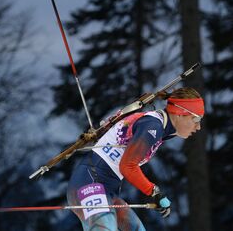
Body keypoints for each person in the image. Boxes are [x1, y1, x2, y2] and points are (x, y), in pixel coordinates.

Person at [66, 87, 204, 230]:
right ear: (180, 113)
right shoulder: (153, 126)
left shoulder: (159, 126)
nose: (199, 126)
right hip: (89, 184)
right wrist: (154, 192)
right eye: (196, 119)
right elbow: (127, 166)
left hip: (107, 189)